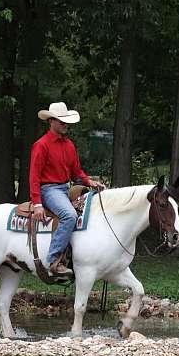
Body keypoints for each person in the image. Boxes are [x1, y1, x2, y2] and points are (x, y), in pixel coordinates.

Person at [29, 102, 105, 276]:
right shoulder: (41, 145)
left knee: (93, 207)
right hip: (49, 190)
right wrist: (37, 204)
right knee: (69, 215)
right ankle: (52, 260)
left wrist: (89, 182)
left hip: (65, 188)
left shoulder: (69, 145)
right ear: (51, 121)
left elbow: (76, 171)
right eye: (61, 121)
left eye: (66, 121)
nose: (65, 124)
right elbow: (33, 176)